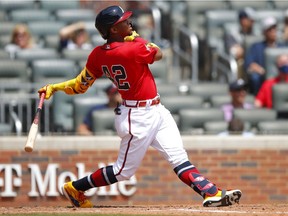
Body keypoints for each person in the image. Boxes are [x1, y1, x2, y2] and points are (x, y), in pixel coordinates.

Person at [38, 5, 242, 208]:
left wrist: (54, 87)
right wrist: (136, 38)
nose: (129, 23)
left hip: (155, 110)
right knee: (123, 171)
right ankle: (76, 187)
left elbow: (79, 85)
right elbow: (158, 53)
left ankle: (211, 193)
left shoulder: (98, 55)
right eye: (123, 22)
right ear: (113, 30)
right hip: (136, 116)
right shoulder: (132, 47)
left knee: (178, 156)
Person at [244, 16, 284, 96]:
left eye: (274, 29)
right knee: (255, 78)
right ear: (264, 32)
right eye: (270, 29)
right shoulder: (256, 47)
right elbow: (250, 64)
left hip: (281, 75)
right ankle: (258, 98)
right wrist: (262, 71)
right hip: (263, 76)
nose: (273, 31)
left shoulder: (282, 47)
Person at [224, 7, 256, 79]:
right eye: (242, 18)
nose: (243, 21)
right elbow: (236, 53)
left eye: (246, 18)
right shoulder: (233, 34)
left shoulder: (257, 34)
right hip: (240, 63)